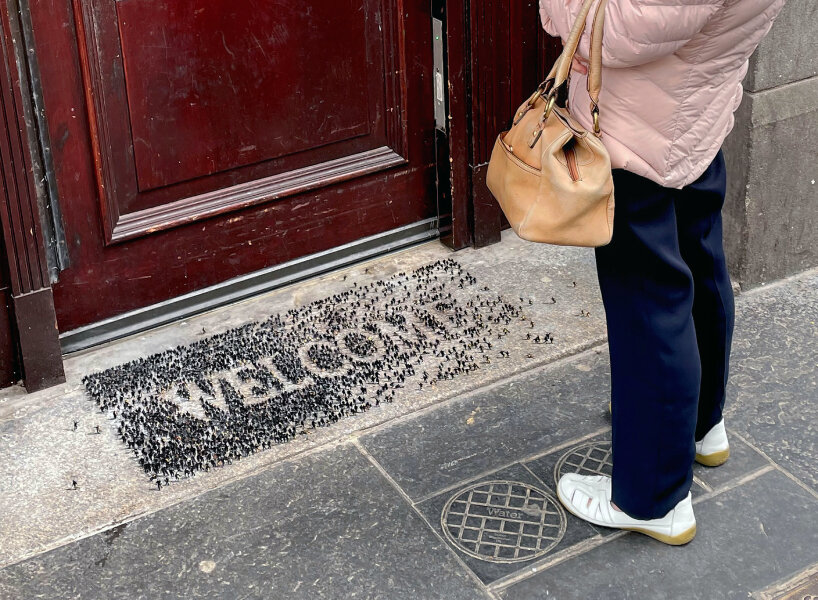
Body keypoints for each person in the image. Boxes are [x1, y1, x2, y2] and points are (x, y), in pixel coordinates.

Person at [537, 0, 785, 544]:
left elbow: (624, 28)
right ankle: (699, 425)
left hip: (640, 131)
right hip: (692, 111)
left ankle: (654, 498)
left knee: (648, 301)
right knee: (698, 264)